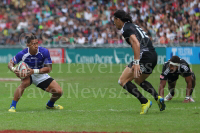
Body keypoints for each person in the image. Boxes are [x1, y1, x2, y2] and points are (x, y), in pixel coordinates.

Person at [112, 10, 165, 114]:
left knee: (122, 81)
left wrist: (136, 63)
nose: (114, 23)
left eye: (114, 20)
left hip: (144, 56)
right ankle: (157, 97)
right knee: (139, 80)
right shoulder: (132, 26)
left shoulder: (126, 29)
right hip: (152, 55)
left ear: (118, 20)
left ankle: (144, 102)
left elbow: (136, 43)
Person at [8, 34, 63, 112]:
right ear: (28, 45)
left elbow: (49, 69)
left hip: (40, 74)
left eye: (37, 43)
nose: (36, 45)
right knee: (24, 83)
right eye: (33, 44)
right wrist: (14, 69)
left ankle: (50, 105)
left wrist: (34, 71)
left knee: (59, 92)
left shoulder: (44, 51)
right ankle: (13, 106)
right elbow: (10, 63)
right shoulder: (22, 54)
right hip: (28, 74)